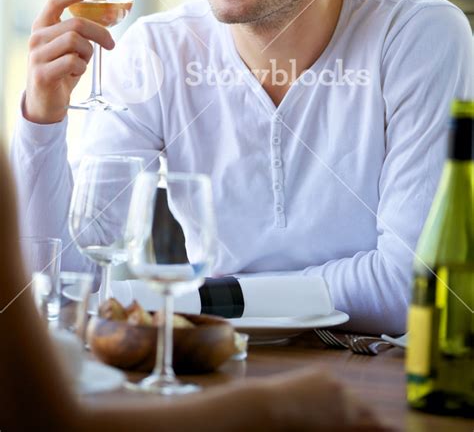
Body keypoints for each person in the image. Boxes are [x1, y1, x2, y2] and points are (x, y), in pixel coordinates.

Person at [11, 0, 472, 335]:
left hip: (371, 386)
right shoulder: (155, 52)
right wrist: (42, 120)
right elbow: (68, 280)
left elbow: (412, 285)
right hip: (210, 370)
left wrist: (193, 297)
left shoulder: (417, 36)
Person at [0, 142, 385, 432]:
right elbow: (61, 282)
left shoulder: (408, 40)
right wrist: (270, 407)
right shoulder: (155, 51)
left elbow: (398, 285)